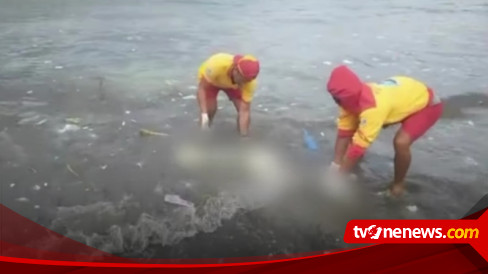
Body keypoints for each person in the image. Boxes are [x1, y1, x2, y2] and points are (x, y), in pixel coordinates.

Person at [326, 65, 443, 197]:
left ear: (347, 96)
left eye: (337, 98)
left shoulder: (372, 109)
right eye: (334, 97)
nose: (335, 101)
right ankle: (351, 167)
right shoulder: (346, 100)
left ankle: (398, 185)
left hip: (428, 104)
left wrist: (338, 178)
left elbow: (358, 146)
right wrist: (335, 166)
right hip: (401, 96)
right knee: (356, 131)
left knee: (401, 142)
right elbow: (344, 133)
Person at [197, 53, 260, 137]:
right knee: (210, 109)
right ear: (235, 70)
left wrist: (244, 138)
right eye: (243, 80)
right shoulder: (216, 64)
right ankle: (202, 135)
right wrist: (204, 114)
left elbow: (244, 111)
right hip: (211, 81)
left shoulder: (249, 83)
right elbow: (202, 89)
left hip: (233, 85)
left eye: (247, 81)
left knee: (241, 110)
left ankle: (242, 136)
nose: (244, 83)